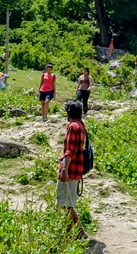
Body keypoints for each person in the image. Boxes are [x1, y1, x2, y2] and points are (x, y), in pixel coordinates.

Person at [57, 99, 89, 240]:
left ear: (69, 112)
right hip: (77, 169)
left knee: (64, 203)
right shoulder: (81, 125)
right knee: (69, 204)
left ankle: (75, 232)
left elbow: (70, 150)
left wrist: (64, 169)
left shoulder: (72, 127)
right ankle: (75, 232)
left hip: (70, 169)